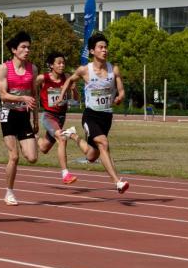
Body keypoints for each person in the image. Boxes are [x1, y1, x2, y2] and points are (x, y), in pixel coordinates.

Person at [57, 32, 129, 194]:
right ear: (92, 51)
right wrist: (62, 96)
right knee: (103, 143)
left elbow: (122, 91)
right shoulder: (84, 70)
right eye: (100, 47)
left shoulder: (114, 69)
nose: (104, 50)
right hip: (91, 116)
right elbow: (69, 80)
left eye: (106, 47)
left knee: (92, 155)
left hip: (107, 116)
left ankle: (72, 135)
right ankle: (117, 182)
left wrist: (119, 97)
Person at [0, 31, 39, 206]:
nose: (27, 50)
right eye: (23, 47)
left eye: (29, 47)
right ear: (14, 50)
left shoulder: (32, 69)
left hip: (24, 115)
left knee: (32, 157)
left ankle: (25, 141)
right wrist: (22, 98)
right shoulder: (4, 68)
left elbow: (34, 95)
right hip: (8, 113)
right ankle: (9, 192)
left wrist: (35, 119)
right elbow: (3, 95)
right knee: (14, 157)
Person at [36, 52, 82, 184]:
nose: (62, 65)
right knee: (62, 138)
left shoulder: (67, 77)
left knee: (44, 148)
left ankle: (32, 136)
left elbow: (77, 99)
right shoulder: (43, 78)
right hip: (49, 116)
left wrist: (73, 89)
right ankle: (65, 174)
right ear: (51, 65)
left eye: (63, 63)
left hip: (61, 118)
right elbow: (30, 89)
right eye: (59, 63)